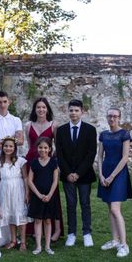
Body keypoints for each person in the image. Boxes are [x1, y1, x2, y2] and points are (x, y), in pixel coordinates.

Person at [55, 99, 97, 248]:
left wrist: (78, 173)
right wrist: (68, 173)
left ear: (82, 112)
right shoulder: (60, 131)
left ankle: (87, 233)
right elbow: (59, 154)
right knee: (71, 204)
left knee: (85, 204)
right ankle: (71, 233)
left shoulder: (90, 130)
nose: (73, 113)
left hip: (84, 175)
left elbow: (91, 154)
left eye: (76, 110)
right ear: (68, 112)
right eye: (71, 110)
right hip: (67, 175)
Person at [24, 97, 64, 241]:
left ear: (47, 109)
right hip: (33, 162)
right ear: (35, 110)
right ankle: (33, 228)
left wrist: (54, 162)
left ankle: (57, 230)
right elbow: (30, 146)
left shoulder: (54, 125)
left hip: (48, 162)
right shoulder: (28, 125)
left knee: (52, 195)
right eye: (38, 107)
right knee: (34, 194)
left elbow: (57, 147)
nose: (41, 110)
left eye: (43, 107)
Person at [97, 108, 132, 258]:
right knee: (109, 208)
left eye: (115, 116)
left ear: (119, 118)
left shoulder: (124, 134)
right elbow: (99, 156)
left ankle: (124, 244)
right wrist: (100, 174)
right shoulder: (103, 134)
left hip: (118, 174)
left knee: (115, 208)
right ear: (107, 117)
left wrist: (111, 176)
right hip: (105, 172)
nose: (112, 119)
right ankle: (114, 240)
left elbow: (125, 158)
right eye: (110, 116)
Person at [0, 137, 30, 251]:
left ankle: (23, 241)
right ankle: (13, 240)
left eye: (10, 146)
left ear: (14, 148)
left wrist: (27, 192)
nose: (8, 148)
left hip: (18, 190)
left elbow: (25, 177)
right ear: (2, 147)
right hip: (5, 191)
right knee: (9, 214)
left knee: (20, 214)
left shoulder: (21, 161)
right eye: (6, 146)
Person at [27, 137, 60, 255]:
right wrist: (39, 195)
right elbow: (30, 181)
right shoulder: (34, 162)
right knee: (38, 220)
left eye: (46, 148)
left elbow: (55, 181)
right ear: (37, 148)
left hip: (50, 197)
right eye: (40, 147)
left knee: (47, 221)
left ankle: (47, 246)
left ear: (50, 149)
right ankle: (38, 246)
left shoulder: (53, 162)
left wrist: (50, 194)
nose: (43, 150)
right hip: (38, 196)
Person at [0, 90, 24, 172]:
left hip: (13, 162)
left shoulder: (16, 120)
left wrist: (0, 142)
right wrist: (11, 144)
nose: (2, 105)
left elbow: (20, 141)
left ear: (9, 102)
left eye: (5, 102)